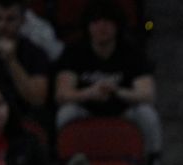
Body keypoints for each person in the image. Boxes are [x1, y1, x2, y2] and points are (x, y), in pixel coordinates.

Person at [54, 0, 161, 156]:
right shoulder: (73, 52)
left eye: (107, 22)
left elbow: (148, 95)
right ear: (88, 26)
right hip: (86, 107)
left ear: (117, 26)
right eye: (96, 22)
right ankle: (61, 161)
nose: (102, 27)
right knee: (65, 113)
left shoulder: (132, 53)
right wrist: (90, 93)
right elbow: (62, 95)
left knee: (148, 115)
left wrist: (116, 91)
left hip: (122, 107)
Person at [0, 0, 48, 113]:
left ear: (22, 20)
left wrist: (11, 61)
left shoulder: (36, 53)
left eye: (10, 19)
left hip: (23, 115)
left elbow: (37, 99)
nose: (3, 25)